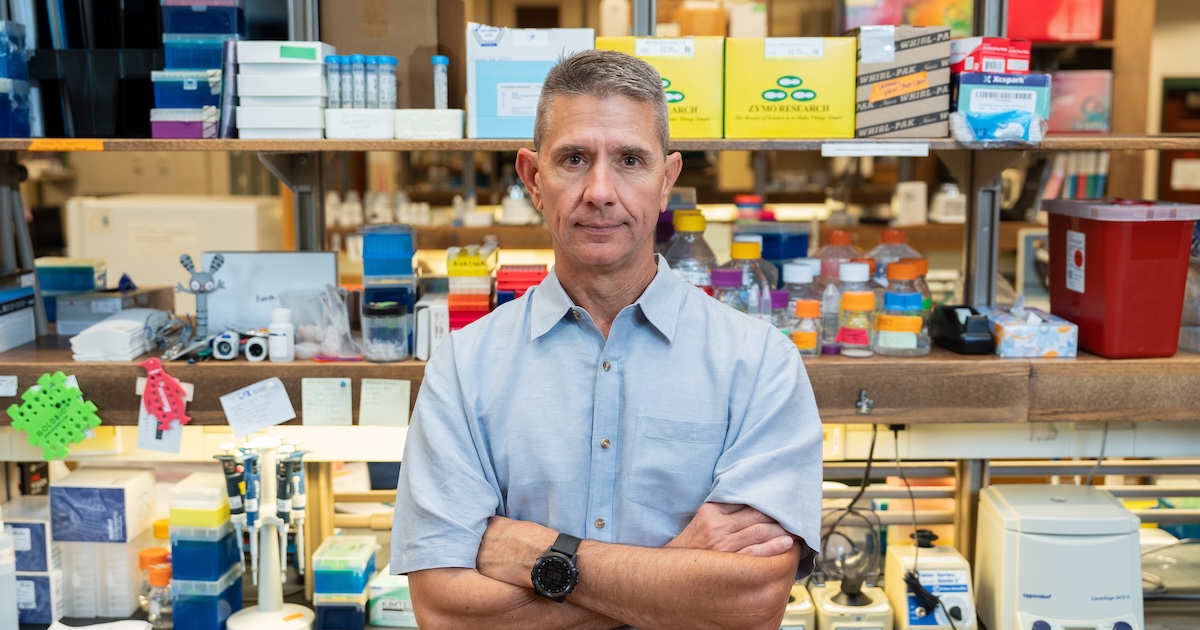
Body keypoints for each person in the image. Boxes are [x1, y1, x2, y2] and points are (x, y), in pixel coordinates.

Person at [391, 49, 822, 629]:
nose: (600, 190)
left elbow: (750, 601)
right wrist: (675, 574)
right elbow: (445, 613)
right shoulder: (464, 368)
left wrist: (537, 558)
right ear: (532, 179)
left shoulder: (760, 362)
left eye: (629, 160)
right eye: (573, 158)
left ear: (666, 181)